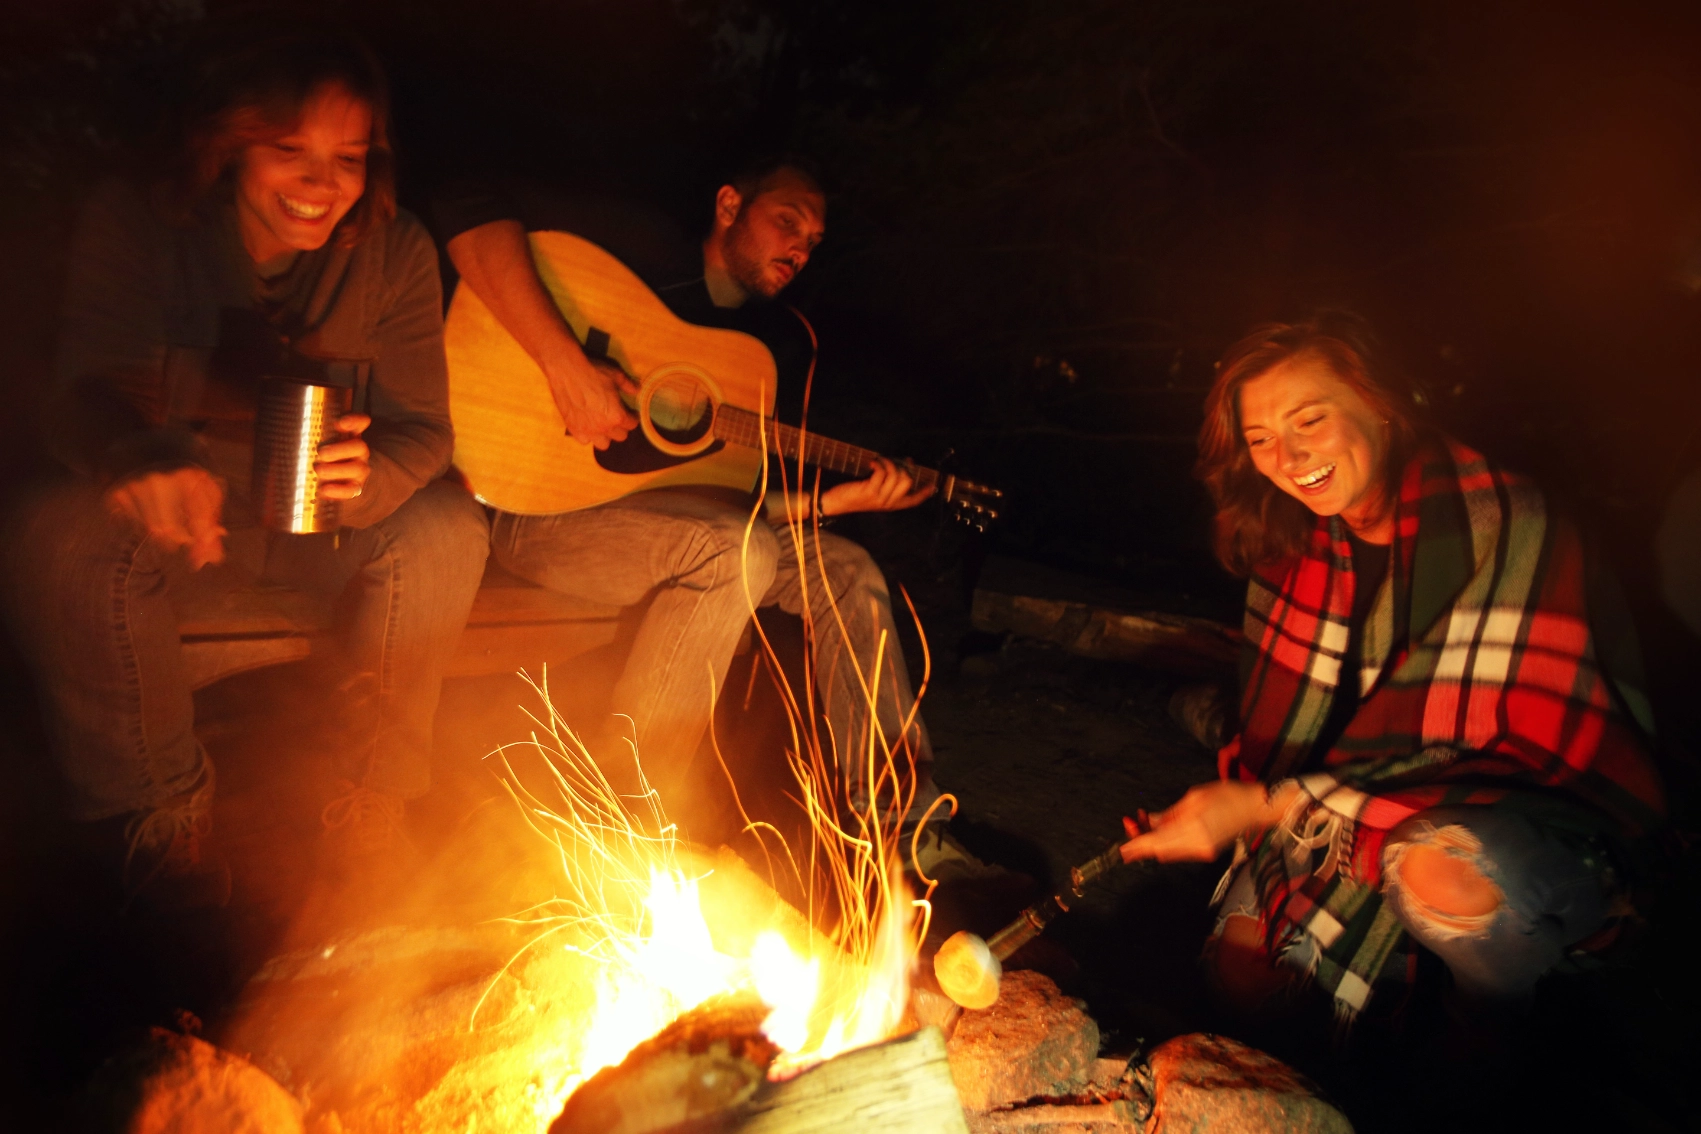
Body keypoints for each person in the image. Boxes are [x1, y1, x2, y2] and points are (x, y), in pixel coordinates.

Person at [1, 23, 490, 906]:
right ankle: (163, 824)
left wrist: (371, 476)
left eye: (348, 156)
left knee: (447, 528)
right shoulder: (143, 223)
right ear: (228, 144)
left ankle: (369, 805)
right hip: (178, 541)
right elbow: (77, 391)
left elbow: (425, 430)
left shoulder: (394, 250)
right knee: (53, 530)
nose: (321, 184)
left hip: (322, 539)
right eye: (289, 150)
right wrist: (138, 457)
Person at [1120, 313, 1667, 1026]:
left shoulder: (1508, 525)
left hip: (1514, 824)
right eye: (1259, 440)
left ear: (1377, 403)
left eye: (1308, 421)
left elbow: (1501, 756)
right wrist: (1223, 809)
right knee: (1245, 985)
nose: (1286, 458)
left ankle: (1492, 1025)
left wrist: (1260, 807)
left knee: (1442, 873)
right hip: (1333, 818)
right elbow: (1281, 740)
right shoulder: (1290, 549)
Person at [435, 161, 943, 840]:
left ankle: (901, 822)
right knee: (731, 550)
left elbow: (729, 510)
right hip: (536, 509)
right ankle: (621, 822)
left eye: (812, 241)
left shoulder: (764, 353)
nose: (798, 248)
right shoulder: (639, 245)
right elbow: (462, 194)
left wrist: (838, 502)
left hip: (665, 534)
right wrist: (564, 364)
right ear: (729, 205)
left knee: (845, 567)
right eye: (786, 221)